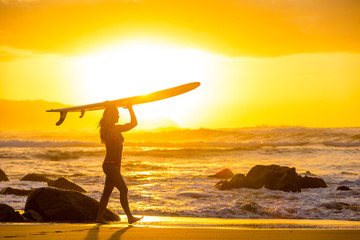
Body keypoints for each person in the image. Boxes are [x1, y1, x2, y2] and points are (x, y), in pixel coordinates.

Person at [96, 104, 142, 224]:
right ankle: (130, 217)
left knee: (107, 193)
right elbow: (107, 123)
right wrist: (109, 107)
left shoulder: (117, 128)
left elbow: (134, 123)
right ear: (111, 115)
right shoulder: (108, 129)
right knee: (124, 189)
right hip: (109, 165)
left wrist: (130, 108)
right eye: (116, 114)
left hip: (115, 166)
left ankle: (99, 218)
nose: (119, 115)